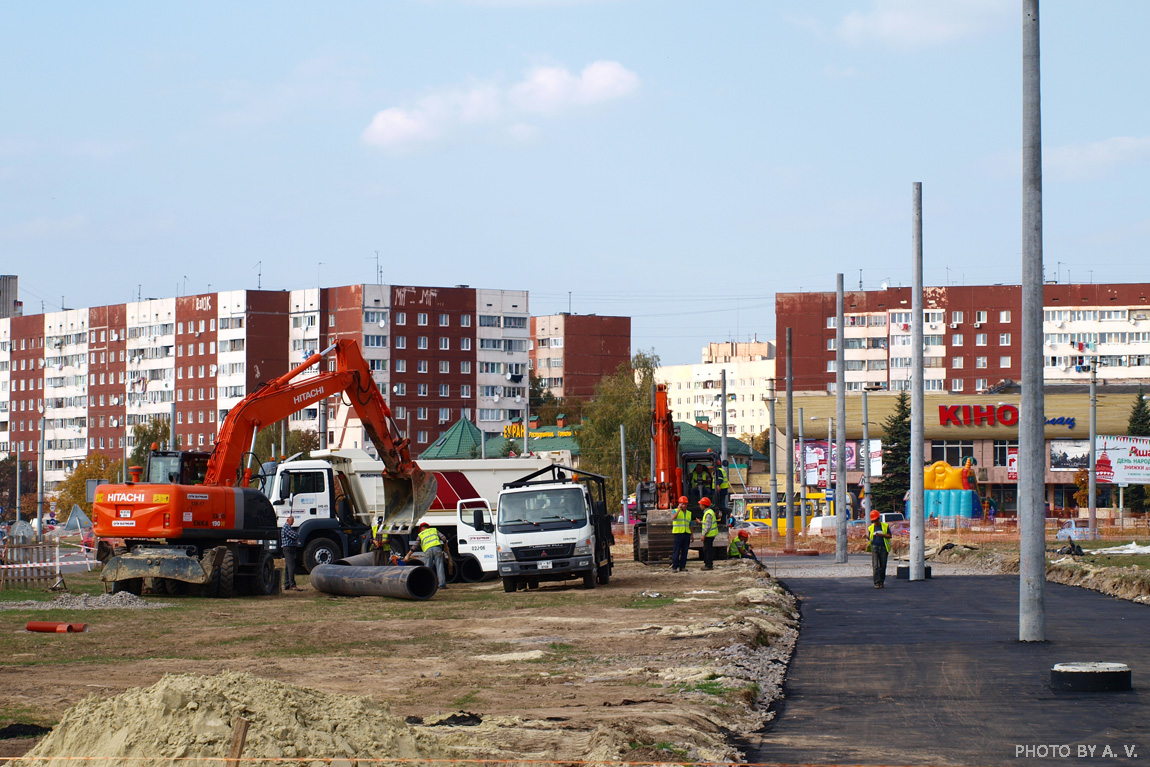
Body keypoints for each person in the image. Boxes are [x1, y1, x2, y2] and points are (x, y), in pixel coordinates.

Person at [417, 521, 448, 589]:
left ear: (421, 529)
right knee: (439, 566)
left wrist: (408, 555)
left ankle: (427, 584)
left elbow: (415, 546)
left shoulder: (421, 534)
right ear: (427, 527)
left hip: (428, 551)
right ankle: (442, 584)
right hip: (437, 549)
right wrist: (445, 546)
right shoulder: (434, 530)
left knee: (428, 568)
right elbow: (443, 538)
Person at [867, 510, 891, 589]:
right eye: (873, 521)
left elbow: (889, 535)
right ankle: (876, 582)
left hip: (883, 547)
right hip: (875, 547)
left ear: (878, 518)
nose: (875, 522)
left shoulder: (885, 526)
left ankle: (881, 581)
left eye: (876, 520)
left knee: (883, 566)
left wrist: (882, 535)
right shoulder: (871, 528)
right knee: (875, 566)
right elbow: (870, 538)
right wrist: (866, 537)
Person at [670, 496, 692, 572]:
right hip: (678, 534)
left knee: (685, 551)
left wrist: (692, 535)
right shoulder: (675, 511)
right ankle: (674, 566)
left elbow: (690, 524)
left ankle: (682, 566)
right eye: (682, 504)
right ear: (679, 504)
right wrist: (678, 510)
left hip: (686, 534)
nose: (684, 506)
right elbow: (673, 517)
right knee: (676, 550)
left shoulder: (689, 513)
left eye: (685, 504)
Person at [281, 514, 300, 591]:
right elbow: (295, 536)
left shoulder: (288, 528)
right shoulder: (286, 528)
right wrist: (295, 534)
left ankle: (287, 584)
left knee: (287, 567)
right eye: (292, 520)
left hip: (288, 549)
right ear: (288, 520)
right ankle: (292, 584)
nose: (293, 522)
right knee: (291, 566)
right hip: (288, 549)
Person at [699, 497, 718, 570]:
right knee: (707, 549)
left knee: (707, 550)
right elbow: (707, 523)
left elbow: (708, 526)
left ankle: (708, 565)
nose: (700, 506)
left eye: (701, 504)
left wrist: (703, 535)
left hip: (709, 535)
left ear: (704, 505)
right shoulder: (709, 512)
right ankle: (708, 564)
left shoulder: (708, 513)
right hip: (710, 534)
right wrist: (700, 522)